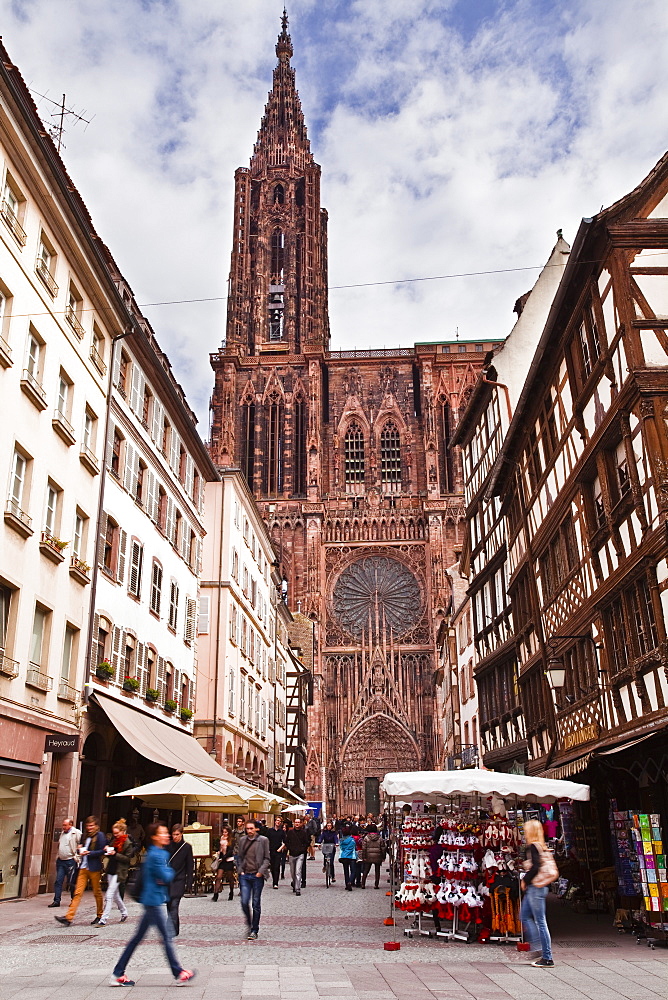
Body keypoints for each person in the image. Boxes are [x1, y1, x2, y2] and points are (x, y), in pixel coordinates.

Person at [109, 822, 195, 987]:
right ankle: (178, 973)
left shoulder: (155, 852)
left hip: (151, 900)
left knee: (138, 939)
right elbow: (166, 875)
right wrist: (170, 870)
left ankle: (118, 973)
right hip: (153, 901)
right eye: (163, 833)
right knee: (165, 938)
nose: (167, 835)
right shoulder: (157, 855)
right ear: (155, 837)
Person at [55, 816, 106, 926]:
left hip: (94, 867)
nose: (89, 828)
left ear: (96, 826)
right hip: (83, 867)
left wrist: (90, 853)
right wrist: (79, 849)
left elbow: (102, 851)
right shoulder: (85, 836)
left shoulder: (100, 836)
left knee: (97, 892)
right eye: (88, 826)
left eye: (91, 826)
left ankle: (100, 915)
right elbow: (80, 847)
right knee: (77, 892)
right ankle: (69, 917)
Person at [520, 819, 555, 968]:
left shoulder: (534, 846)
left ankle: (546, 956)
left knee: (540, 921)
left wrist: (525, 880)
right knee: (524, 915)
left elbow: (535, 867)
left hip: (536, 887)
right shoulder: (541, 846)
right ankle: (538, 946)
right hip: (537, 887)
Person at [236, 819, 270, 940]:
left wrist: (261, 872)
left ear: (256, 829)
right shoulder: (242, 840)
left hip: (257, 876)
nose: (249, 831)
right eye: (247, 828)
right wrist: (241, 870)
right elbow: (239, 857)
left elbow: (267, 858)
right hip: (245, 875)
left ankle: (254, 929)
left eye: (251, 828)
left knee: (256, 903)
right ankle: (249, 923)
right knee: (244, 901)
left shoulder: (263, 840)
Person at [99, 819, 133, 925]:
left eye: (117, 833)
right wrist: (107, 849)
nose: (115, 835)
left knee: (109, 894)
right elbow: (111, 851)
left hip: (119, 871)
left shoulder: (128, 843)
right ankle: (124, 912)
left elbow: (128, 859)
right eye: (114, 833)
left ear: (123, 831)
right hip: (111, 869)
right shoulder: (114, 840)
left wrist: (114, 854)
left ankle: (103, 919)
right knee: (116, 895)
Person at [167, 824, 194, 935]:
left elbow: (189, 866)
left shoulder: (186, 847)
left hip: (179, 879)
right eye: (173, 834)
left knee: (174, 904)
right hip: (168, 879)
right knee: (169, 905)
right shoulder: (168, 846)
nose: (175, 837)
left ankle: (171, 930)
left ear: (182, 834)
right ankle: (175, 927)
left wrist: (189, 883)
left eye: (177, 834)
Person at [49, 816, 80, 908]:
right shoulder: (62, 833)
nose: (63, 827)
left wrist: (77, 857)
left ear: (70, 825)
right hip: (61, 861)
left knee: (71, 882)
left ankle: (73, 900)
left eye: (65, 825)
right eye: (63, 825)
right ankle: (56, 900)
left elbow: (81, 844)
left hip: (70, 860)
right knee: (58, 881)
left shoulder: (76, 833)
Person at [284, 816, 310, 895]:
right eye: (296, 822)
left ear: (301, 824)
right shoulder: (290, 832)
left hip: (300, 854)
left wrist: (303, 848)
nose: (297, 824)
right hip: (292, 854)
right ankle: (295, 883)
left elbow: (307, 842)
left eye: (298, 822)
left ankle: (297, 888)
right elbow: (286, 841)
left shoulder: (304, 832)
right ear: (294, 823)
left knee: (298, 871)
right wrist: (289, 848)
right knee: (292, 872)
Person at [212, 825, 235, 901]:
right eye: (223, 832)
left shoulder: (231, 840)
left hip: (228, 860)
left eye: (226, 832)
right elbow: (220, 849)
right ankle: (216, 894)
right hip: (222, 860)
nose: (224, 833)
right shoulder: (221, 838)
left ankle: (231, 892)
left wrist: (223, 858)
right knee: (219, 877)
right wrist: (219, 854)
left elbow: (230, 851)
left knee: (230, 877)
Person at [360, 824, 385, 889]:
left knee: (366, 870)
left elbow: (364, 848)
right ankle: (376, 884)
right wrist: (383, 856)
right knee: (377, 871)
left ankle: (363, 884)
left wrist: (364, 857)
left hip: (368, 856)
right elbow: (383, 848)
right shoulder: (380, 837)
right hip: (378, 856)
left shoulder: (366, 837)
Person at [266, 817, 285, 889]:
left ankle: (275, 883)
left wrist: (280, 848)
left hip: (278, 851)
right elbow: (266, 840)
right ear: (275, 821)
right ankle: (274, 878)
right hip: (271, 850)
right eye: (277, 820)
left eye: (279, 821)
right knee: (272, 867)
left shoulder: (282, 832)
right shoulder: (270, 831)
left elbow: (285, 841)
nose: (278, 822)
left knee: (277, 866)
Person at [338, 826, 357, 890]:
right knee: (353, 871)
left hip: (344, 857)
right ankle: (350, 882)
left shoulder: (341, 840)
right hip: (351, 857)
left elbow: (341, 848)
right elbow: (353, 848)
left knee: (346, 871)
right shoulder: (352, 840)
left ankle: (347, 884)